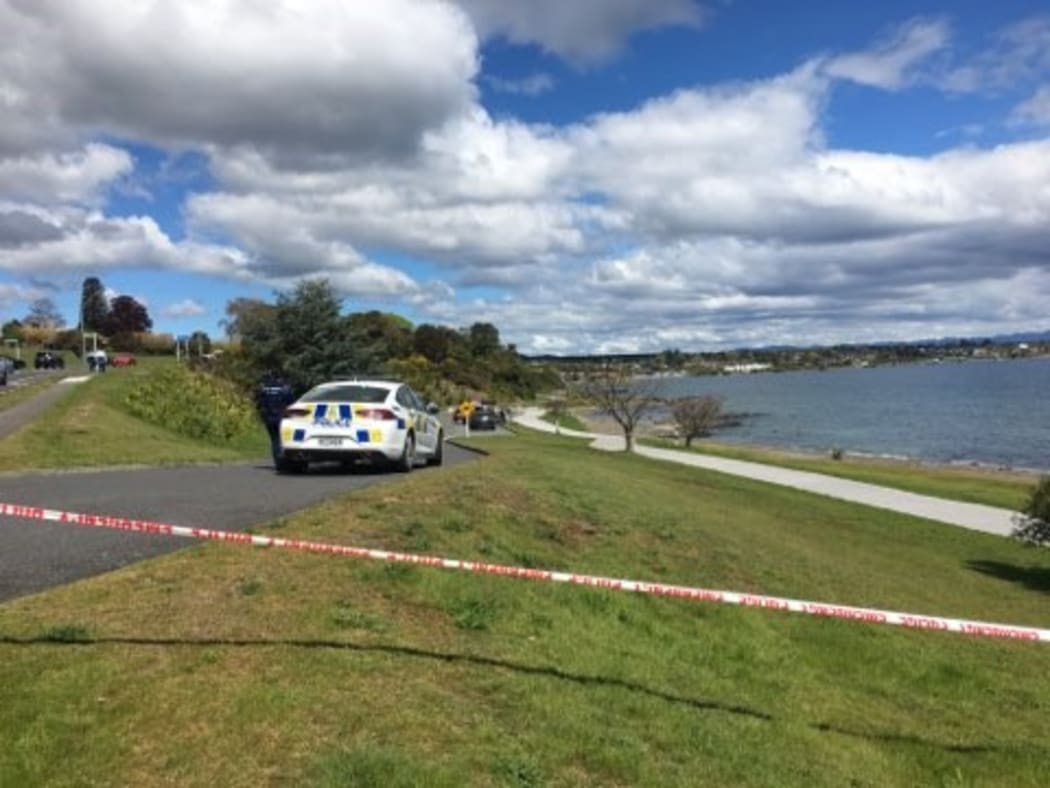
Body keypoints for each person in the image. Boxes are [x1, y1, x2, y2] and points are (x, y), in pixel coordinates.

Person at [256, 371, 296, 466]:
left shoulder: (265, 388)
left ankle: (277, 462)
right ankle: (283, 461)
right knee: (282, 440)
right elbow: (291, 402)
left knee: (274, 440)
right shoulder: (285, 388)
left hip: (269, 418)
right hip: (282, 418)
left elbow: (260, 403)